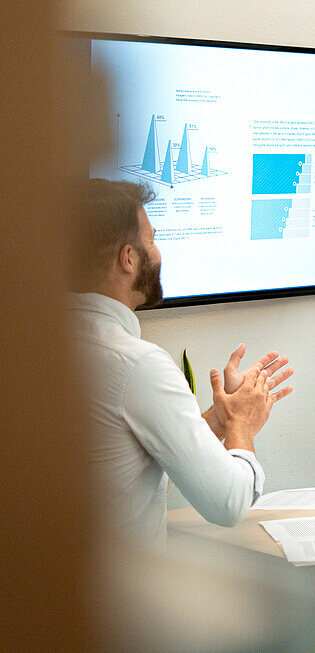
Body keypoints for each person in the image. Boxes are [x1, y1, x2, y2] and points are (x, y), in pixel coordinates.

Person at [70, 178, 294, 545]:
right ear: (128, 258)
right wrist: (242, 426)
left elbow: (137, 464)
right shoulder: (136, 365)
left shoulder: (35, 349)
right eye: (152, 241)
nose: (157, 254)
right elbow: (228, 503)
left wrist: (222, 417)